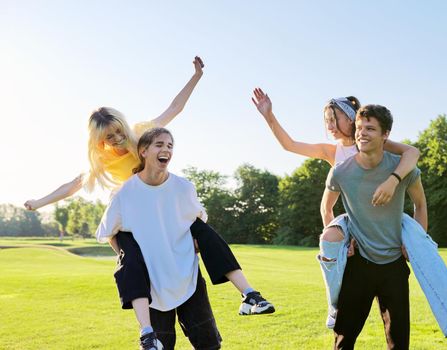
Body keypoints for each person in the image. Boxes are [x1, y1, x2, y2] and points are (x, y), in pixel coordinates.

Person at [24, 58, 273, 347]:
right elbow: (72, 186)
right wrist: (39, 202)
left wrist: (196, 76)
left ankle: (248, 294)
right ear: (99, 141)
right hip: (134, 213)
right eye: (109, 137)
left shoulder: (143, 133)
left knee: (202, 230)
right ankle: (147, 332)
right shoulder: (102, 160)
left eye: (119, 131)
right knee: (130, 258)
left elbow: (174, 109)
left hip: (163, 204)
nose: (118, 139)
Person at [252, 88, 447, 339]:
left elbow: (413, 153)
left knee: (421, 242)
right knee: (329, 238)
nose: (329, 125)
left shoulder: (377, 140)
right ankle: (334, 304)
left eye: (334, 119)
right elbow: (290, 146)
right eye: (326, 121)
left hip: (390, 221)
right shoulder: (334, 155)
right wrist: (268, 115)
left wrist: (394, 180)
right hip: (354, 221)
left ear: (352, 118)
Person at [96, 128, 221, 350]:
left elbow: (198, 225)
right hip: (152, 288)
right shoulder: (125, 193)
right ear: (143, 151)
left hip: (188, 279)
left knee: (208, 345)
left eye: (170, 145)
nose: (166, 150)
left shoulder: (183, 188)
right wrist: (134, 261)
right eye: (159, 144)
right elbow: (108, 233)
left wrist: (190, 248)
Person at [324, 104, 421, 348]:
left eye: (370, 128)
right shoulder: (340, 172)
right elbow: (326, 208)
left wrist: (416, 243)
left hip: (394, 267)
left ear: (385, 134)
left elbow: (420, 204)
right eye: (358, 128)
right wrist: (340, 246)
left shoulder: (403, 168)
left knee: (399, 343)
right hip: (358, 266)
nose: (361, 133)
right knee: (343, 341)